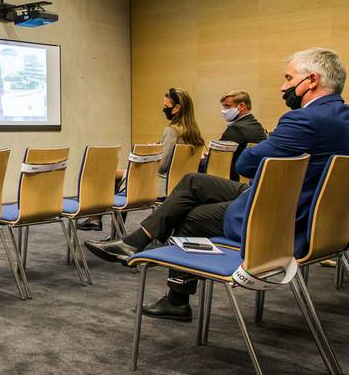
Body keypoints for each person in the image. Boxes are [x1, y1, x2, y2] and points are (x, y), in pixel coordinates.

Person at [85, 48, 349, 321]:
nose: (284, 87)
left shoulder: (303, 120)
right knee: (193, 181)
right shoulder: (343, 117)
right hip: (322, 223)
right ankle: (136, 242)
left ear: (312, 80)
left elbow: (245, 165)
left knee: (190, 217)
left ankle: (175, 298)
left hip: (277, 220)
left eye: (289, 78)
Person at [78, 87, 205, 231]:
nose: (164, 110)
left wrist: (150, 155)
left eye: (166, 106)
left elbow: (161, 167)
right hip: (178, 184)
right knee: (118, 175)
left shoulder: (172, 131)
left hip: (160, 185)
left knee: (112, 174)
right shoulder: (194, 134)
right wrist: (157, 149)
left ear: (177, 108)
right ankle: (100, 221)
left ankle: (99, 220)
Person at [212, 90, 268, 180]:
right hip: (254, 177)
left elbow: (219, 159)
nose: (223, 111)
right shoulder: (256, 125)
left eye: (227, 106)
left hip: (235, 178)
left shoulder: (236, 129)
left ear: (241, 106)